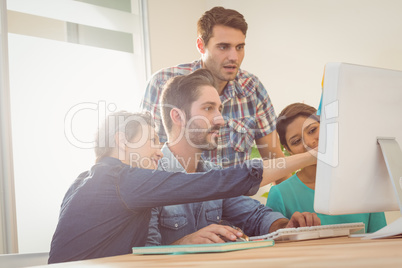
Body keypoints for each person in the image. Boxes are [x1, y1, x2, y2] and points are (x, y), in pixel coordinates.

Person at [48, 107, 316, 263]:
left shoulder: (85, 182)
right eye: (151, 140)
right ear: (122, 142)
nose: (157, 151)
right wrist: (313, 156)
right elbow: (216, 183)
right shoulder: (123, 179)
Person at [146, 69, 320, 246]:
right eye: (208, 108)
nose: (220, 120)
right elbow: (141, 252)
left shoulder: (214, 175)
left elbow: (256, 216)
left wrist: (285, 225)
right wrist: (183, 243)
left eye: (219, 109)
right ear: (178, 116)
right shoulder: (149, 180)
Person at [141, 7, 286, 181]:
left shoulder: (253, 89)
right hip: (176, 200)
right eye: (223, 47)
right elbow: (142, 157)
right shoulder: (162, 83)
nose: (234, 57)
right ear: (201, 45)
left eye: (239, 47)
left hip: (232, 202)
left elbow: (274, 159)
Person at [266, 103, 387, 233]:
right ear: (289, 150)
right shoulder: (280, 195)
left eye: (312, 130)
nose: (308, 142)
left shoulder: (365, 184)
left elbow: (383, 241)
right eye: (296, 141)